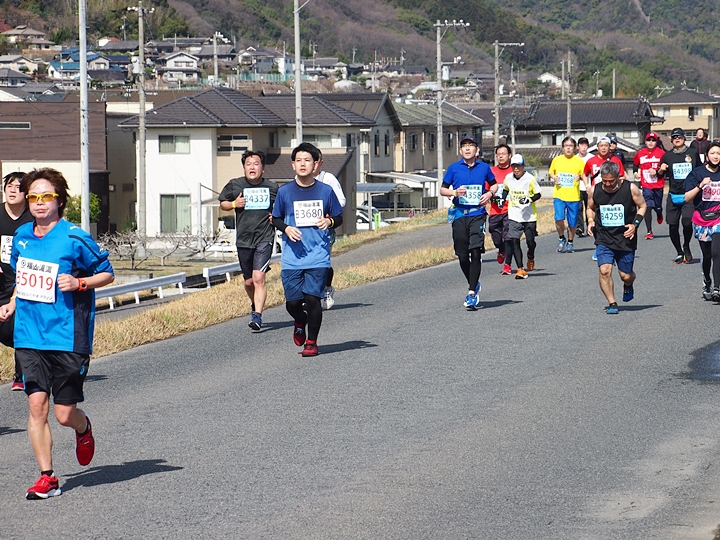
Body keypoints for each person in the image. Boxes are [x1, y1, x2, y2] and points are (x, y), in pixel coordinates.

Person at [0, 168, 114, 499]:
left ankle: (83, 426)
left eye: (45, 196)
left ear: (59, 200)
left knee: (64, 415)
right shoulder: (21, 236)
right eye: (33, 197)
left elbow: (106, 273)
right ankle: (47, 477)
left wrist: (80, 282)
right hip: (29, 334)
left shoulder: (74, 237)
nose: (38, 202)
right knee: (36, 406)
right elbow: (23, 278)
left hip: (67, 335)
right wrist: (12, 302)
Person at [271, 143, 343, 357]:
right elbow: (275, 218)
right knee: (293, 303)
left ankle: (311, 342)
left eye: (308, 160)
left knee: (313, 299)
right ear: (293, 165)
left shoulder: (325, 191)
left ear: (315, 165)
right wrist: (286, 228)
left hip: (318, 255)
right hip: (292, 257)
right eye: (299, 160)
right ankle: (300, 320)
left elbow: (338, 216)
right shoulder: (284, 191)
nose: (303, 164)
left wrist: (329, 222)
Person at [219, 151, 279, 332]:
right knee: (249, 282)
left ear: (263, 168)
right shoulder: (235, 184)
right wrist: (234, 204)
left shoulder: (272, 187)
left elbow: (282, 206)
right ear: (244, 167)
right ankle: (255, 304)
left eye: (256, 163)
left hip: (264, 237)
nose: (252, 167)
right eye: (248, 164)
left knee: (259, 278)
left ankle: (257, 316)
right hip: (244, 240)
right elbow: (223, 203)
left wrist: (276, 217)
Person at [439, 135, 497, 309]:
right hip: (459, 214)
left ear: (476, 150)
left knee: (475, 251)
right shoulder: (454, 168)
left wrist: (490, 194)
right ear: (460, 150)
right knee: (462, 255)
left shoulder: (484, 167)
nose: (467, 148)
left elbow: (494, 185)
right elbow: (442, 189)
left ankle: (472, 292)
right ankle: (474, 283)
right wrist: (454, 192)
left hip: (477, 214)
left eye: (470, 145)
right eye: (464, 146)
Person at [587, 161, 646, 314]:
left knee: (626, 275)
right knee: (604, 270)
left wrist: (635, 225)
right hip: (604, 237)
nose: (607, 184)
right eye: (604, 180)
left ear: (618, 177)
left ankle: (628, 284)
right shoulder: (595, 190)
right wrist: (591, 220)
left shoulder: (630, 188)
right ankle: (612, 303)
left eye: (611, 181)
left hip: (625, 237)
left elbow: (642, 206)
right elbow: (590, 208)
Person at [0, 172, 33, 391]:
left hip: (23, 279)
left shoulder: (33, 218)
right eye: (9, 186)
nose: (13, 190)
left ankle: (21, 372)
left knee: (20, 324)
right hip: (1, 278)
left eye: (18, 187)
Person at [658, 127, 701, 264]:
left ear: (684, 138)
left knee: (687, 222)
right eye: (674, 137)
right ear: (671, 140)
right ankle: (679, 252)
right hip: (673, 194)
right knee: (673, 225)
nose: (677, 139)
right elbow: (660, 175)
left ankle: (686, 246)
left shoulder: (692, 153)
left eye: (680, 137)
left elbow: (700, 170)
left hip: (689, 194)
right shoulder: (667, 156)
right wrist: (661, 170)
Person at [684, 141, 720, 300]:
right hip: (702, 218)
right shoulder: (696, 173)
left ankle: (717, 288)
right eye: (713, 153)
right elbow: (687, 198)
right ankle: (707, 282)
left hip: (718, 217)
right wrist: (700, 186)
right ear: (706, 156)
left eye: (718, 154)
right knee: (707, 255)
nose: (716, 156)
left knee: (717, 252)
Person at [315, 149, 346, 310]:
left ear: (321, 162)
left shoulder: (328, 179)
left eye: (315, 161)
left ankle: (327, 289)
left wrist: (328, 215)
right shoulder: (297, 180)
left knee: (323, 261)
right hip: (306, 229)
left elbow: (341, 200)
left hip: (325, 227)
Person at [501, 154, 541, 278]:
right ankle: (520, 268)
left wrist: (529, 199)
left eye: (518, 166)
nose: (516, 169)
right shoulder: (508, 178)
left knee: (530, 241)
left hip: (529, 216)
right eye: (513, 166)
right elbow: (506, 189)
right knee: (514, 241)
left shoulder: (530, 179)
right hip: (514, 215)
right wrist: (502, 199)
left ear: (523, 166)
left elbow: (538, 194)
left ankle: (531, 254)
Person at [548, 136, 585, 254]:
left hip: (573, 196)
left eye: (571, 146)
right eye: (566, 146)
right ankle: (561, 238)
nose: (568, 148)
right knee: (559, 218)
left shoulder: (579, 161)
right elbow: (551, 173)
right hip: (559, 194)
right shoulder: (557, 160)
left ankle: (570, 241)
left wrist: (581, 178)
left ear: (575, 148)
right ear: (562, 148)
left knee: (572, 222)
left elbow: (584, 175)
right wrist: (554, 177)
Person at [633, 132, 665, 239]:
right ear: (645, 142)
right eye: (648, 140)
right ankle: (649, 231)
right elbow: (635, 165)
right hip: (646, 185)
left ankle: (659, 213)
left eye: (653, 140)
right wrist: (635, 173)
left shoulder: (661, 153)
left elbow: (666, 168)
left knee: (658, 207)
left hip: (658, 184)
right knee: (648, 207)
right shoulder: (640, 153)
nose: (651, 142)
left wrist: (657, 171)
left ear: (656, 142)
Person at [489, 144, 512, 274]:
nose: (501, 156)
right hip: (495, 210)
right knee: (496, 237)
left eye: (503, 154)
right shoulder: (491, 172)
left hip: (510, 210)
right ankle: (501, 249)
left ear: (509, 155)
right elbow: (486, 190)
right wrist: (493, 198)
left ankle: (507, 265)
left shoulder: (514, 171)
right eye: (498, 154)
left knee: (509, 238)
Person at [576, 137, 592, 237]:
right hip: (577, 187)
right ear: (578, 147)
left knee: (589, 207)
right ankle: (580, 228)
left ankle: (590, 226)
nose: (583, 147)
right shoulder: (574, 159)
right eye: (581, 145)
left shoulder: (591, 158)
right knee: (578, 208)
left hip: (589, 186)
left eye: (585, 145)